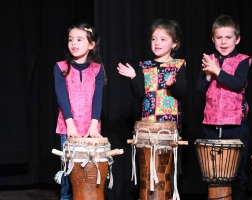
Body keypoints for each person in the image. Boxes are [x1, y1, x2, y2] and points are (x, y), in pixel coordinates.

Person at [117, 19, 186, 199]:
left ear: (174, 43)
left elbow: (181, 92)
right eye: (154, 39)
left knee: (166, 172)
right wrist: (133, 77)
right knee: (148, 171)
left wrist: (172, 85)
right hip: (148, 127)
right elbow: (139, 93)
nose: (157, 43)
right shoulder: (145, 66)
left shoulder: (178, 65)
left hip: (168, 128)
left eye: (163, 39)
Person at [197, 15, 251, 200]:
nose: (223, 41)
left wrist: (217, 71)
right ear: (213, 39)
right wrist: (208, 74)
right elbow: (200, 87)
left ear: (237, 39)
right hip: (211, 124)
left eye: (228, 37)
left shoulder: (243, 60)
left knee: (238, 175)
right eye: (219, 37)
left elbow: (238, 83)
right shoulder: (209, 59)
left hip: (236, 124)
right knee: (213, 174)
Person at [54, 23, 106, 200]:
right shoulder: (61, 67)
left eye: (79, 39)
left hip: (91, 128)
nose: (73, 43)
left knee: (89, 174)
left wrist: (93, 126)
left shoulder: (97, 69)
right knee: (69, 174)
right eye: (71, 40)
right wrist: (70, 125)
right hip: (69, 128)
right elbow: (62, 98)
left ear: (91, 45)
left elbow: (97, 99)